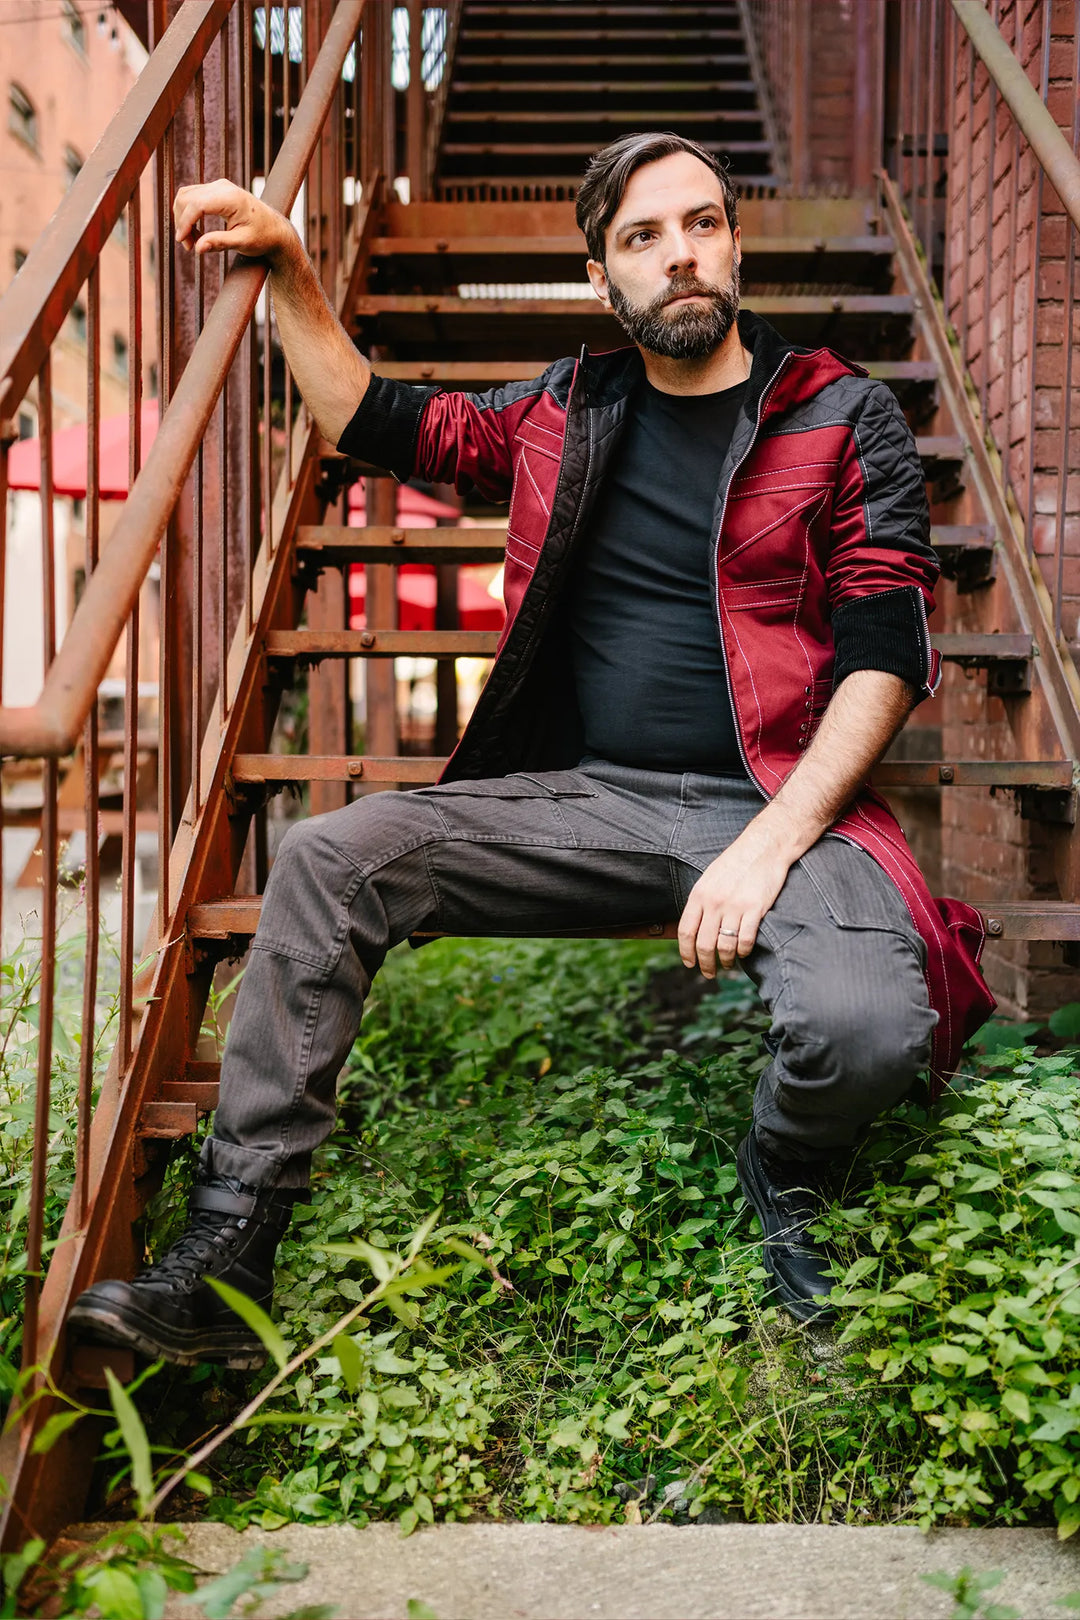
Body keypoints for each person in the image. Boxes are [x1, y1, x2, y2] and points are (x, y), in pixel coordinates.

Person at [70, 131, 995, 1366]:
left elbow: (885, 649)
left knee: (867, 1029)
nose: (681, 255)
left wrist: (771, 844)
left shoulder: (842, 415)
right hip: (593, 802)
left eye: (703, 224)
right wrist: (290, 263)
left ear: (735, 243)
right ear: (603, 279)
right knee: (329, 857)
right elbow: (376, 418)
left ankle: (789, 1163)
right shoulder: (568, 408)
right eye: (644, 237)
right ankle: (230, 1250)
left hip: (785, 801)